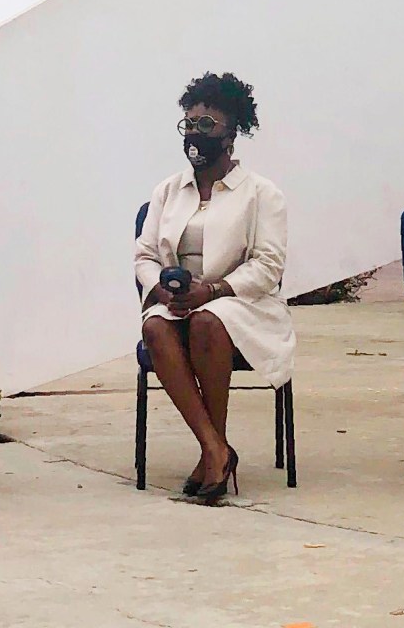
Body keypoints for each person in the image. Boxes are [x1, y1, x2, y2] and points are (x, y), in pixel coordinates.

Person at [136, 72, 292, 505]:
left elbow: (268, 266)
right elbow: (145, 255)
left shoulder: (262, 194)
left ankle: (212, 452)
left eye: (208, 125)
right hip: (177, 300)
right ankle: (215, 448)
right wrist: (162, 290)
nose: (196, 134)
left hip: (243, 303)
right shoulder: (167, 190)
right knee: (155, 328)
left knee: (208, 322)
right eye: (190, 123)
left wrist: (216, 289)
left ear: (232, 134)